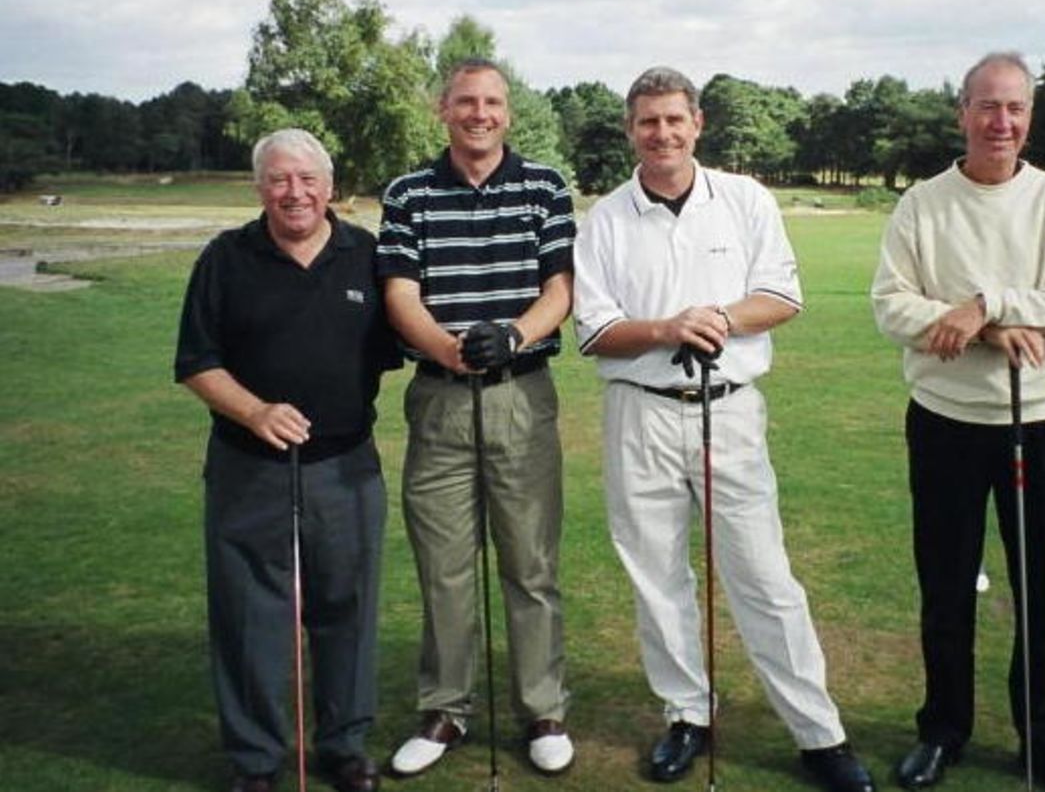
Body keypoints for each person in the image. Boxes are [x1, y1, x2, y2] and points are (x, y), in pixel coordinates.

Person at [573, 66, 876, 792]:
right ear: (630, 130)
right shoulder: (605, 218)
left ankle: (817, 732)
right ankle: (687, 715)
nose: (663, 133)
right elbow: (594, 330)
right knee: (657, 576)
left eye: (674, 119)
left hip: (729, 409)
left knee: (763, 575)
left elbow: (780, 296)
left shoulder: (743, 199)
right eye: (648, 121)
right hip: (639, 411)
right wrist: (666, 327)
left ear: (697, 123)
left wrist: (717, 320)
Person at [870, 52, 1045, 792]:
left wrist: (987, 303)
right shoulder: (922, 203)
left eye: (1015, 109)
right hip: (945, 420)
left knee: (1040, 588)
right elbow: (891, 304)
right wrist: (987, 326)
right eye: (987, 107)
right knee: (945, 586)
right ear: (961, 111)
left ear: (1029, 117)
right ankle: (943, 730)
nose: (1001, 123)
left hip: (1040, 421)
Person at [175, 128, 400, 792]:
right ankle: (254, 759)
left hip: (346, 464)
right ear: (259, 188)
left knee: (347, 609)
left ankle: (345, 746)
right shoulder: (225, 258)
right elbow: (196, 363)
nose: (293, 192)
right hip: (250, 467)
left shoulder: (368, 255)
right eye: (279, 179)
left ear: (331, 188)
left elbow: (402, 341)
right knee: (250, 614)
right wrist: (255, 411)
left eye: (306, 179)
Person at [376, 58, 576, 776]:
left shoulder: (544, 186)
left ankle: (543, 709)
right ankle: (445, 711)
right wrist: (449, 350)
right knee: (445, 566)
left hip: (523, 392)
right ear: (444, 109)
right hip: (439, 399)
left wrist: (516, 334)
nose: (479, 113)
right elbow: (400, 291)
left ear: (508, 112)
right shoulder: (408, 194)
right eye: (466, 101)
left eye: (492, 102)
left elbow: (561, 287)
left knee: (530, 562)